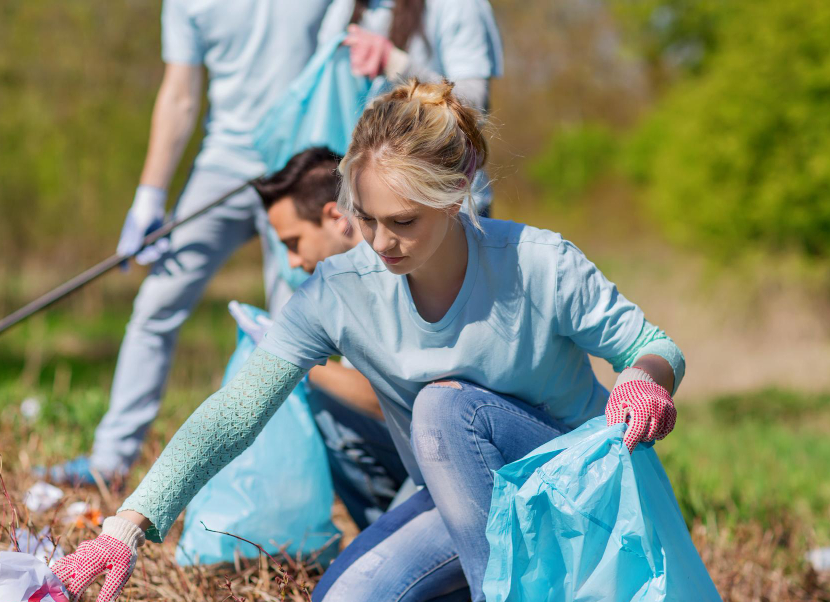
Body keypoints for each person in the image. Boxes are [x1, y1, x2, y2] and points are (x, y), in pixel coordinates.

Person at [49, 80, 685, 602]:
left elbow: (654, 346)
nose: (381, 244)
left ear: (458, 189)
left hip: (571, 498)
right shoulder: (340, 290)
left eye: (404, 222)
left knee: (443, 406)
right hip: (471, 510)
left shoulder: (537, 263)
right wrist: (129, 524)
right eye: (366, 218)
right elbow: (237, 410)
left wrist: (645, 378)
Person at [42, 0, 333, 486]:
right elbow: (179, 94)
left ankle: (290, 479)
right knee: (156, 303)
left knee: (293, 327)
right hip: (222, 167)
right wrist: (148, 198)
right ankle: (109, 461)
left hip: (303, 165)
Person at [249, 146, 410, 529]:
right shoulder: (345, 282)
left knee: (325, 402)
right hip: (418, 448)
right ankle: (388, 532)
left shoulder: (391, 269)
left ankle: (390, 534)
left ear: (335, 216)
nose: (291, 260)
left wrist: (296, 360)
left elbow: (383, 397)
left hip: (451, 456)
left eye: (293, 242)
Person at [319, 0, 504, 213]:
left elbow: (474, 103)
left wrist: (396, 64)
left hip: (442, 204)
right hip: (359, 200)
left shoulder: (457, 5)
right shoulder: (342, 8)